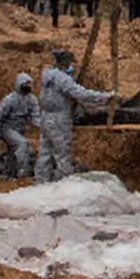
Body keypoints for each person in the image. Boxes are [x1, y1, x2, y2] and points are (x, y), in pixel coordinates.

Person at [35, 50, 115, 184]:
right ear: (65, 64)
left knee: (45, 152)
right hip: (58, 120)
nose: (73, 66)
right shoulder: (62, 79)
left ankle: (41, 182)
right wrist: (104, 96)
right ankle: (62, 185)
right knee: (62, 153)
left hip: (46, 117)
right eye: (72, 63)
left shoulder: (47, 74)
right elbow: (81, 94)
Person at [0, 72, 41, 179]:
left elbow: (34, 117)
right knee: (22, 144)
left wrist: (43, 126)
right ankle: (23, 172)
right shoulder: (9, 100)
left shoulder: (31, 99)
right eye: (25, 84)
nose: (27, 86)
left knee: (12, 153)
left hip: (20, 129)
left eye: (29, 84)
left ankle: (9, 174)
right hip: (7, 129)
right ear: (19, 84)